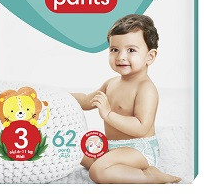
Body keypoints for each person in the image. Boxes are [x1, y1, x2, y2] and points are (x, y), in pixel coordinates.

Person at [72, 14, 181, 184]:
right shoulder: (110, 84)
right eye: (114, 49)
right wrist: (61, 97)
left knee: (98, 171)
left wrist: (108, 114)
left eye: (131, 50)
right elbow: (86, 100)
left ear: (150, 56)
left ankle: (150, 176)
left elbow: (141, 127)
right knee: (75, 152)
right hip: (112, 147)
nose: (121, 56)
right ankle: (111, 165)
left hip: (138, 149)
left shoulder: (146, 89)